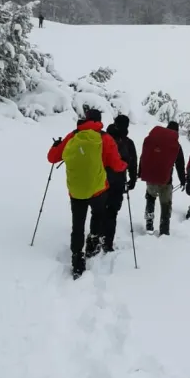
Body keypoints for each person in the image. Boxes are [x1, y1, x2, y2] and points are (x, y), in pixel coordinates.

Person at [48, 107, 127, 278]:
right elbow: (116, 164)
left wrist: (55, 146)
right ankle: (93, 241)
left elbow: (52, 158)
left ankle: (77, 258)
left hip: (76, 190)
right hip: (98, 189)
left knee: (77, 224)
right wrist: (124, 165)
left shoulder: (73, 136)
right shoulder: (105, 138)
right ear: (99, 121)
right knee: (98, 214)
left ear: (85, 118)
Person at [138, 121, 185, 236]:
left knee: (150, 198)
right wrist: (183, 180)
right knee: (165, 204)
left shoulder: (154, 141)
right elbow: (180, 164)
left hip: (151, 177)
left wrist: (140, 172)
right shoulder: (176, 146)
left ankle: (149, 224)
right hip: (166, 180)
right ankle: (164, 230)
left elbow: (144, 156)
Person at [102, 113, 138, 252]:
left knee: (100, 210)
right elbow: (132, 163)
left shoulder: (103, 138)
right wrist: (132, 180)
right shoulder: (128, 143)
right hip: (118, 182)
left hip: (100, 180)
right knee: (112, 212)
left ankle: (96, 238)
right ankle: (107, 243)